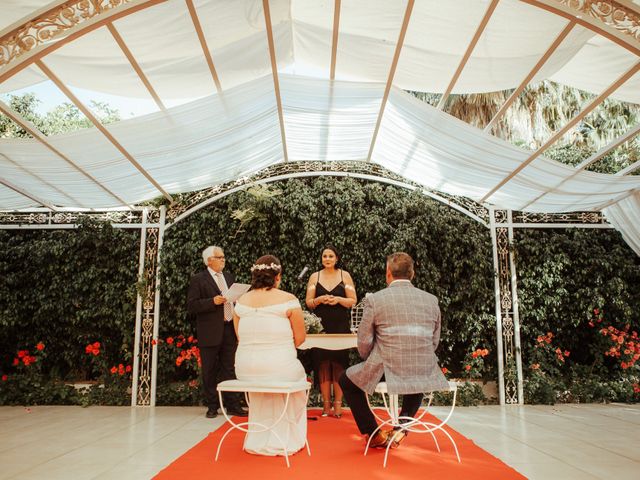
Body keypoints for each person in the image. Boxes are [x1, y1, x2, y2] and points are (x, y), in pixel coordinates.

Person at [339, 252, 449, 448]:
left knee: (345, 380)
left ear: (388, 273)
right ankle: (403, 426)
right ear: (412, 274)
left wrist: (367, 358)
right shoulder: (431, 300)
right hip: (421, 367)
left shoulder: (375, 299)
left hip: (386, 369)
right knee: (417, 374)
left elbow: (363, 340)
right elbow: (434, 340)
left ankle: (373, 433)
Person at [233, 255, 308, 456]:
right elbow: (300, 339)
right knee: (296, 376)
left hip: (245, 369)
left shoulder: (240, 301)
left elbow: (240, 337)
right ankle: (284, 437)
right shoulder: (288, 299)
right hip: (278, 367)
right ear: (277, 276)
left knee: (268, 380)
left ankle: (259, 436)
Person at [187, 246, 246, 418]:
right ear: (209, 260)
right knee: (209, 370)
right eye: (219, 257)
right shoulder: (198, 279)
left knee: (229, 368)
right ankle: (212, 405)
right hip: (210, 330)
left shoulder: (229, 277)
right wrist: (212, 301)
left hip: (229, 327)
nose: (223, 260)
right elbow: (192, 306)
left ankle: (233, 405)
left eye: (223, 256)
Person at [305, 245, 357, 418]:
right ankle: (326, 405)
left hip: (340, 325)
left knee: (339, 364)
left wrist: (339, 300)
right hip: (320, 327)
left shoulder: (345, 276)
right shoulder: (314, 277)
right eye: (324, 256)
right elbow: (309, 302)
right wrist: (319, 299)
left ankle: (338, 405)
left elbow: (352, 300)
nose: (327, 259)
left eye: (330, 256)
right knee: (322, 364)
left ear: (337, 259)